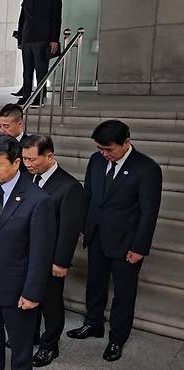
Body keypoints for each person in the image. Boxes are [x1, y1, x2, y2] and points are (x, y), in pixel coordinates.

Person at [66, 120, 162, 362]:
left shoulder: (147, 169)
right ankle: (93, 323)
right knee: (94, 283)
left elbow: (149, 212)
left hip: (126, 242)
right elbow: (89, 195)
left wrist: (139, 247)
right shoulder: (96, 161)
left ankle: (117, 339)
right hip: (97, 235)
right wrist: (84, 227)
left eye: (109, 149)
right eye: (100, 148)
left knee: (124, 293)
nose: (104, 153)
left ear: (126, 142)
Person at [0, 133, 55, 370]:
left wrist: (33, 293)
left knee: (20, 348)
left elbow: (41, 253)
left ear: (16, 163)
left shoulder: (37, 200)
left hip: (17, 289)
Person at [21, 135, 86, 367]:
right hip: (27, 253)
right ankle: (32, 336)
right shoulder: (28, 178)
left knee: (51, 303)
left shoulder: (69, 187)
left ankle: (50, 344)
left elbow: (69, 229)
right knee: (29, 298)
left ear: (49, 156)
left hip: (50, 259)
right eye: (24, 158)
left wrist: (61, 262)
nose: (27, 163)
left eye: (31, 159)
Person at [17, 0, 62, 107]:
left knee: (41, 70)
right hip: (26, 37)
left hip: (43, 37)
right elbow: (22, 19)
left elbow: (56, 18)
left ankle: (40, 96)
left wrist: (54, 39)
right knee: (27, 70)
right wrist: (20, 40)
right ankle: (26, 96)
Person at [0, 104, 30, 173]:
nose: (2, 130)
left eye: (6, 126)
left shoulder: (30, 146)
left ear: (20, 124)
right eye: (0, 126)